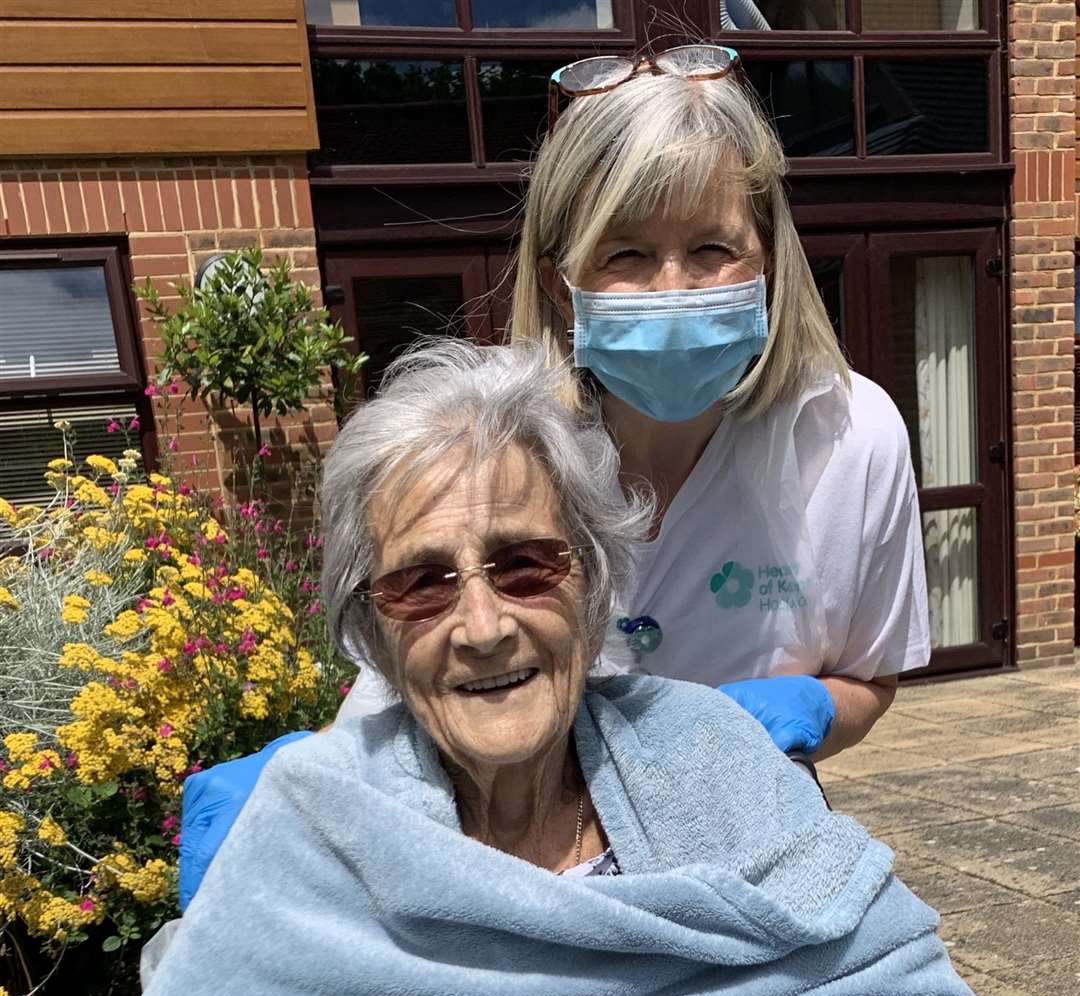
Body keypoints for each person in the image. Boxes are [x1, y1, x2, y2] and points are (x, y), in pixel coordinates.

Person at [65, 342, 995, 996]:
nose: (481, 625)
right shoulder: (314, 820)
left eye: (523, 564)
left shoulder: (709, 756)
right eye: (422, 582)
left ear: (591, 581)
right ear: (374, 630)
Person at [176, 42, 929, 911]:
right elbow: (416, 664)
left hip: (749, 843)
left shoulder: (851, 434)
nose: (672, 287)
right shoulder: (496, 443)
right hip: (531, 854)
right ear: (561, 284)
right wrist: (307, 792)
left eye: (713, 247)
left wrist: (804, 708)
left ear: (769, 259)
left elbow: (872, 678)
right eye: (627, 255)